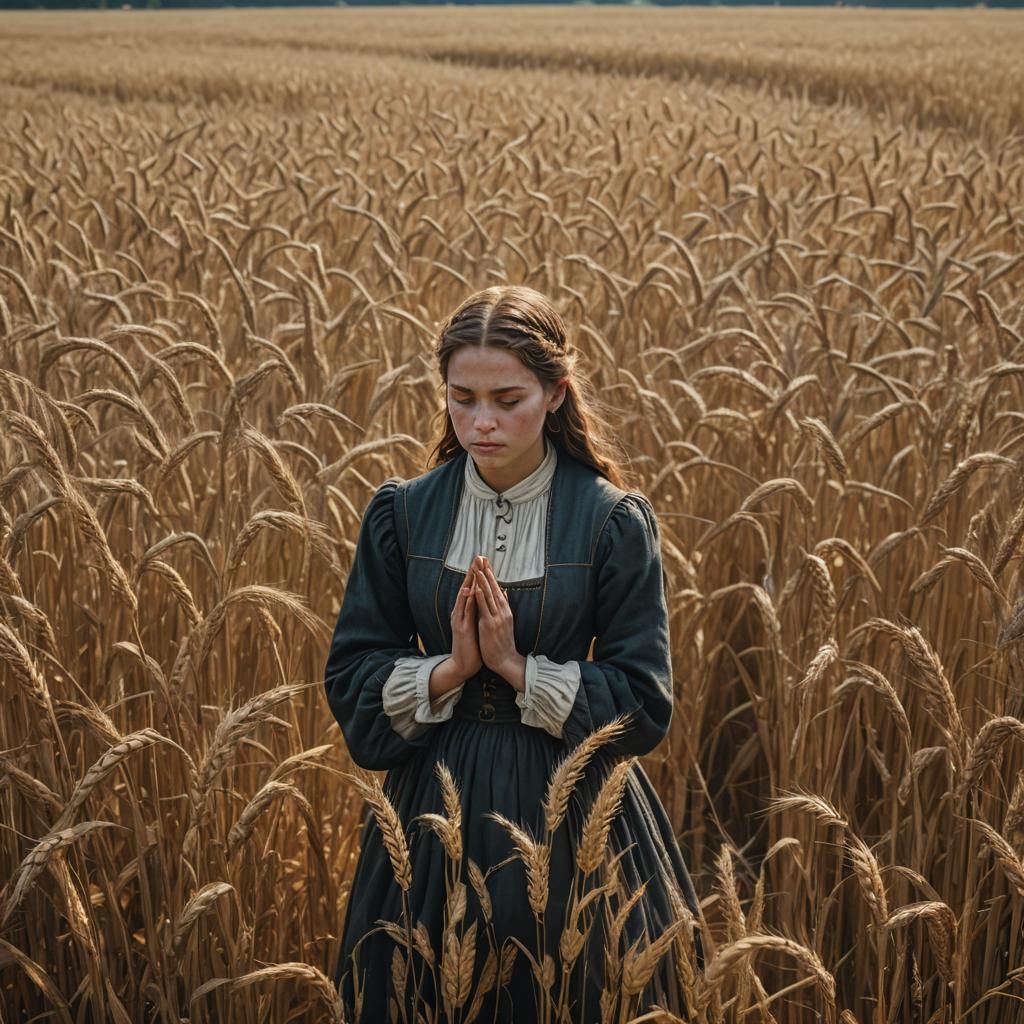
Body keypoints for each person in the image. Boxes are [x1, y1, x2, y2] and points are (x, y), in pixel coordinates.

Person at [324, 285, 702, 1022]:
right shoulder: (402, 512)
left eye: (507, 398)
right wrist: (453, 669)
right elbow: (352, 673)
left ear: (556, 394)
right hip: (427, 818)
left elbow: (646, 702)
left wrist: (520, 670)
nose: (481, 423)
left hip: (569, 819)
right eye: (461, 398)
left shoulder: (611, 521)